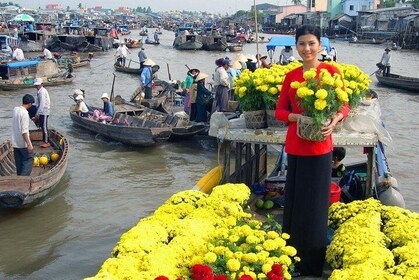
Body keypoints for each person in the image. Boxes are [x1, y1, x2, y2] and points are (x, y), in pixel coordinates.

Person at [275, 24, 349, 277]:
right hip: (296, 147)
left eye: (311, 43)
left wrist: (336, 118)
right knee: (295, 205)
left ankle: (313, 266)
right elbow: (279, 111)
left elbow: (344, 105)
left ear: (320, 45)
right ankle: (292, 260)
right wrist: (295, 116)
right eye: (302, 44)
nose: (306, 48)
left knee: (316, 207)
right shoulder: (291, 76)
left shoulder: (331, 71)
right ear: (296, 47)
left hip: (320, 148)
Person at [11, 94, 35, 176]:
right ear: (30, 104)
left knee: (19, 163)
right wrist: (29, 144)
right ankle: (24, 181)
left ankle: (19, 179)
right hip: (22, 144)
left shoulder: (15, 109)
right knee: (29, 158)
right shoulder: (25, 113)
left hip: (15, 142)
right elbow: (24, 132)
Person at [33, 78, 51, 148]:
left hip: (44, 111)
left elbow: (42, 104)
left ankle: (46, 142)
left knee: (44, 126)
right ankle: (45, 140)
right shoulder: (39, 91)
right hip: (41, 110)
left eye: (38, 85)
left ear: (41, 84)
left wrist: (38, 113)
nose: (37, 87)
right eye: (36, 85)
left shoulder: (42, 92)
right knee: (43, 126)